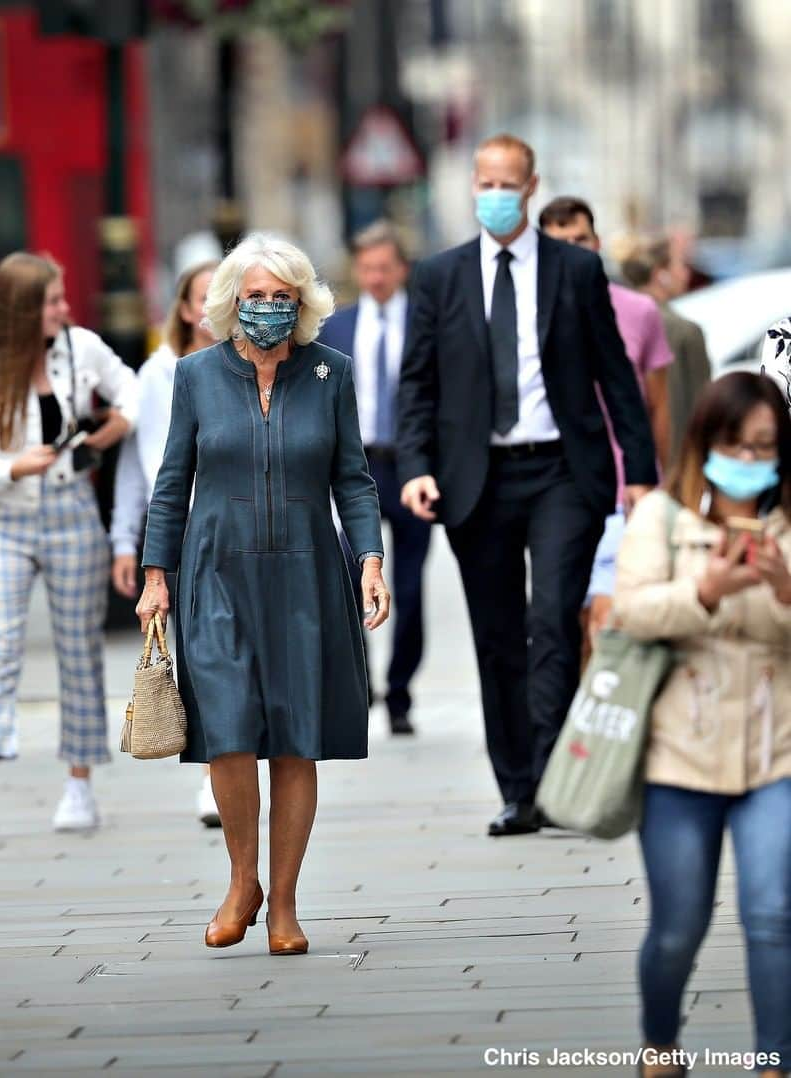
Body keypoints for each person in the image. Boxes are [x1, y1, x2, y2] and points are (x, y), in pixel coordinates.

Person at [397, 133, 658, 837]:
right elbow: (417, 383)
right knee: (498, 635)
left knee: (551, 621)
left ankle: (556, 777)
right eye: (484, 182)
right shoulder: (439, 277)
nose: (494, 194)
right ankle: (519, 789)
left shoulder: (576, 271)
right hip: (475, 480)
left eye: (506, 182)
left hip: (562, 474)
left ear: (532, 185)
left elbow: (616, 378)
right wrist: (416, 466)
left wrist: (641, 474)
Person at [136, 233, 390, 955]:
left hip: (307, 572)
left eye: (284, 299)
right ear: (230, 303)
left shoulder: (329, 374)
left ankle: (283, 903)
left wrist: (369, 559)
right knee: (228, 729)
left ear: (304, 305)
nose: (270, 310)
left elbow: (353, 478)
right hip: (214, 572)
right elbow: (170, 483)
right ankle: (241, 879)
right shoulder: (195, 376)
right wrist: (157, 575)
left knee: (296, 740)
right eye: (256, 298)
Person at [613, 372, 790, 1078]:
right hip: (679, 755)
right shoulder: (661, 516)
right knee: (678, 929)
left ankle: (775, 1061)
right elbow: (632, 612)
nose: (749, 461)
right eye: (735, 445)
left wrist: (781, 586)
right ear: (705, 443)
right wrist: (706, 592)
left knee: (774, 914)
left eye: (765, 447)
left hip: (775, 748)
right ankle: (660, 1044)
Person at [0, 252, 138, 835]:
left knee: (78, 648)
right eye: (53, 301)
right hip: (5, 517)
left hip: (71, 512)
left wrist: (112, 428)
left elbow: (132, 391)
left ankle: (79, 786)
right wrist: (13, 468)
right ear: (25, 309)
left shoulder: (82, 349)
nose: (65, 308)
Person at [110, 259, 223, 827]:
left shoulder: (252, 366)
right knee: (198, 654)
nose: (212, 306)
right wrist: (126, 542)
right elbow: (142, 467)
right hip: (180, 528)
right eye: (203, 296)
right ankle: (211, 775)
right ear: (183, 309)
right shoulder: (160, 374)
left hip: (239, 524)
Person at [537, 196, 674, 657]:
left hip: (623, 491)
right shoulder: (528, 313)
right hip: (560, 488)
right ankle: (577, 718)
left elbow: (655, 406)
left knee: (607, 614)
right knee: (564, 618)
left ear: (597, 243)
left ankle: (602, 721)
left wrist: (658, 482)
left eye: (581, 240)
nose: (574, 252)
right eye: (561, 244)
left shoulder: (639, 312)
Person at [319, 220, 432, 736]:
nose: (376, 277)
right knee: (347, 573)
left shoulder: (426, 322)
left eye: (385, 267)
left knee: (409, 584)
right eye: (367, 268)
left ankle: (401, 690)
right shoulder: (337, 328)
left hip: (410, 467)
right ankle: (360, 676)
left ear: (401, 269)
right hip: (354, 469)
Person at [618, 233, 712, 460]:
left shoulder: (611, 319)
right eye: (680, 265)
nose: (686, 274)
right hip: (675, 463)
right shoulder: (683, 331)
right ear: (661, 274)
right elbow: (701, 411)